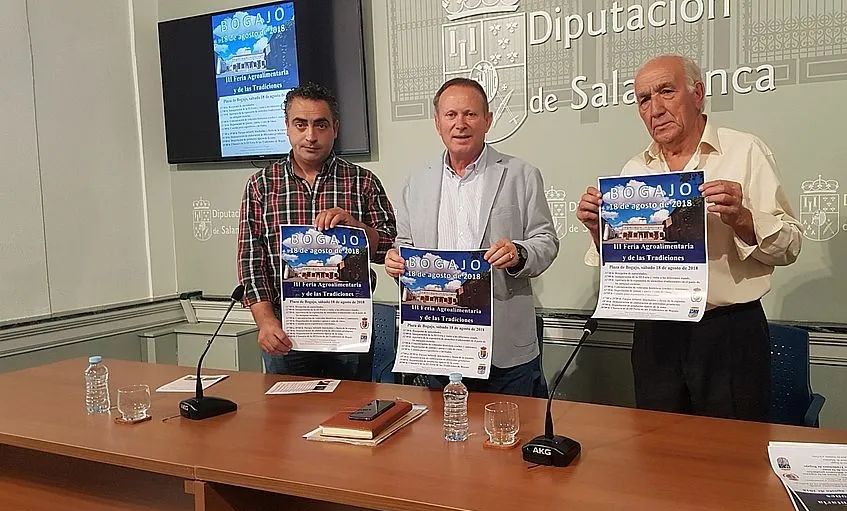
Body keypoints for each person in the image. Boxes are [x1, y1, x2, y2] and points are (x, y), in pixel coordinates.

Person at [575, 55, 803, 421]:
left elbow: (790, 246)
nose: (655, 108)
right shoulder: (635, 170)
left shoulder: (744, 151)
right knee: (657, 444)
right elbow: (625, 265)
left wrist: (743, 218)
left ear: (697, 94)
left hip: (727, 333)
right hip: (655, 334)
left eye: (666, 91)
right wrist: (597, 229)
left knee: (732, 447)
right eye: (644, 99)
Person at [384, 77, 559, 397]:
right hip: (440, 339)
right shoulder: (416, 180)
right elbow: (404, 243)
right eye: (451, 115)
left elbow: (545, 240)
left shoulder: (521, 174)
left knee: (511, 427)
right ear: (437, 123)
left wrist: (519, 253)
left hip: (504, 346)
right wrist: (396, 261)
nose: (460, 124)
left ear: (487, 120)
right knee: (445, 427)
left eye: (470, 114)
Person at [238, 81, 397, 380]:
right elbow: (251, 263)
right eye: (301, 124)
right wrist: (265, 322)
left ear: (335, 128)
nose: (310, 136)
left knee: (352, 406)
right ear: (287, 127)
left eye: (320, 125)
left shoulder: (362, 181)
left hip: (348, 323)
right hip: (285, 328)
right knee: (287, 408)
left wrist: (358, 229)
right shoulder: (261, 186)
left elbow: (390, 247)